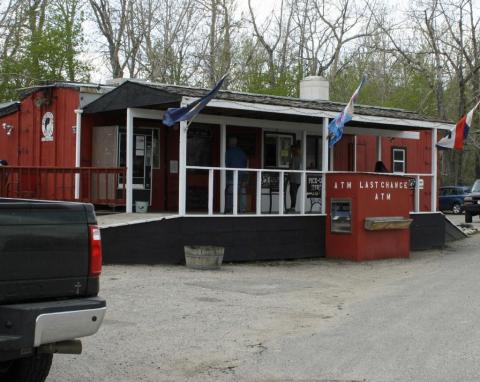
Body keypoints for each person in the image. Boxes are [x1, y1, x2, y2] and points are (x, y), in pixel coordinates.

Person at [225, 137, 248, 213]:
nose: (229, 143)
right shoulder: (242, 152)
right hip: (242, 175)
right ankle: (242, 210)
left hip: (232, 176)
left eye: (229, 141)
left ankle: (230, 209)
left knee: (231, 193)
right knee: (242, 192)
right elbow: (246, 164)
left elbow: (226, 164)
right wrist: (245, 177)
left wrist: (225, 177)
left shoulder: (228, 152)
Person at [288, 142, 301, 212]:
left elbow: (291, 169)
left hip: (294, 179)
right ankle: (292, 207)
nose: (291, 151)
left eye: (292, 150)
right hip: (298, 179)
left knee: (292, 193)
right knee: (293, 193)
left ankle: (292, 208)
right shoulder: (299, 158)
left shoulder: (294, 158)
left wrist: (288, 177)